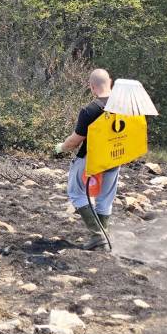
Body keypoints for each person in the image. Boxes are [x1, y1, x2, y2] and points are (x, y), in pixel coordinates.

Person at [55, 68, 119, 250]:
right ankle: (104, 239)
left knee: (76, 193)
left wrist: (60, 147)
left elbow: (75, 141)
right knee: (105, 199)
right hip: (116, 157)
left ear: (92, 87)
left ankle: (98, 235)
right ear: (110, 82)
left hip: (91, 158)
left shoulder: (90, 110)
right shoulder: (125, 106)